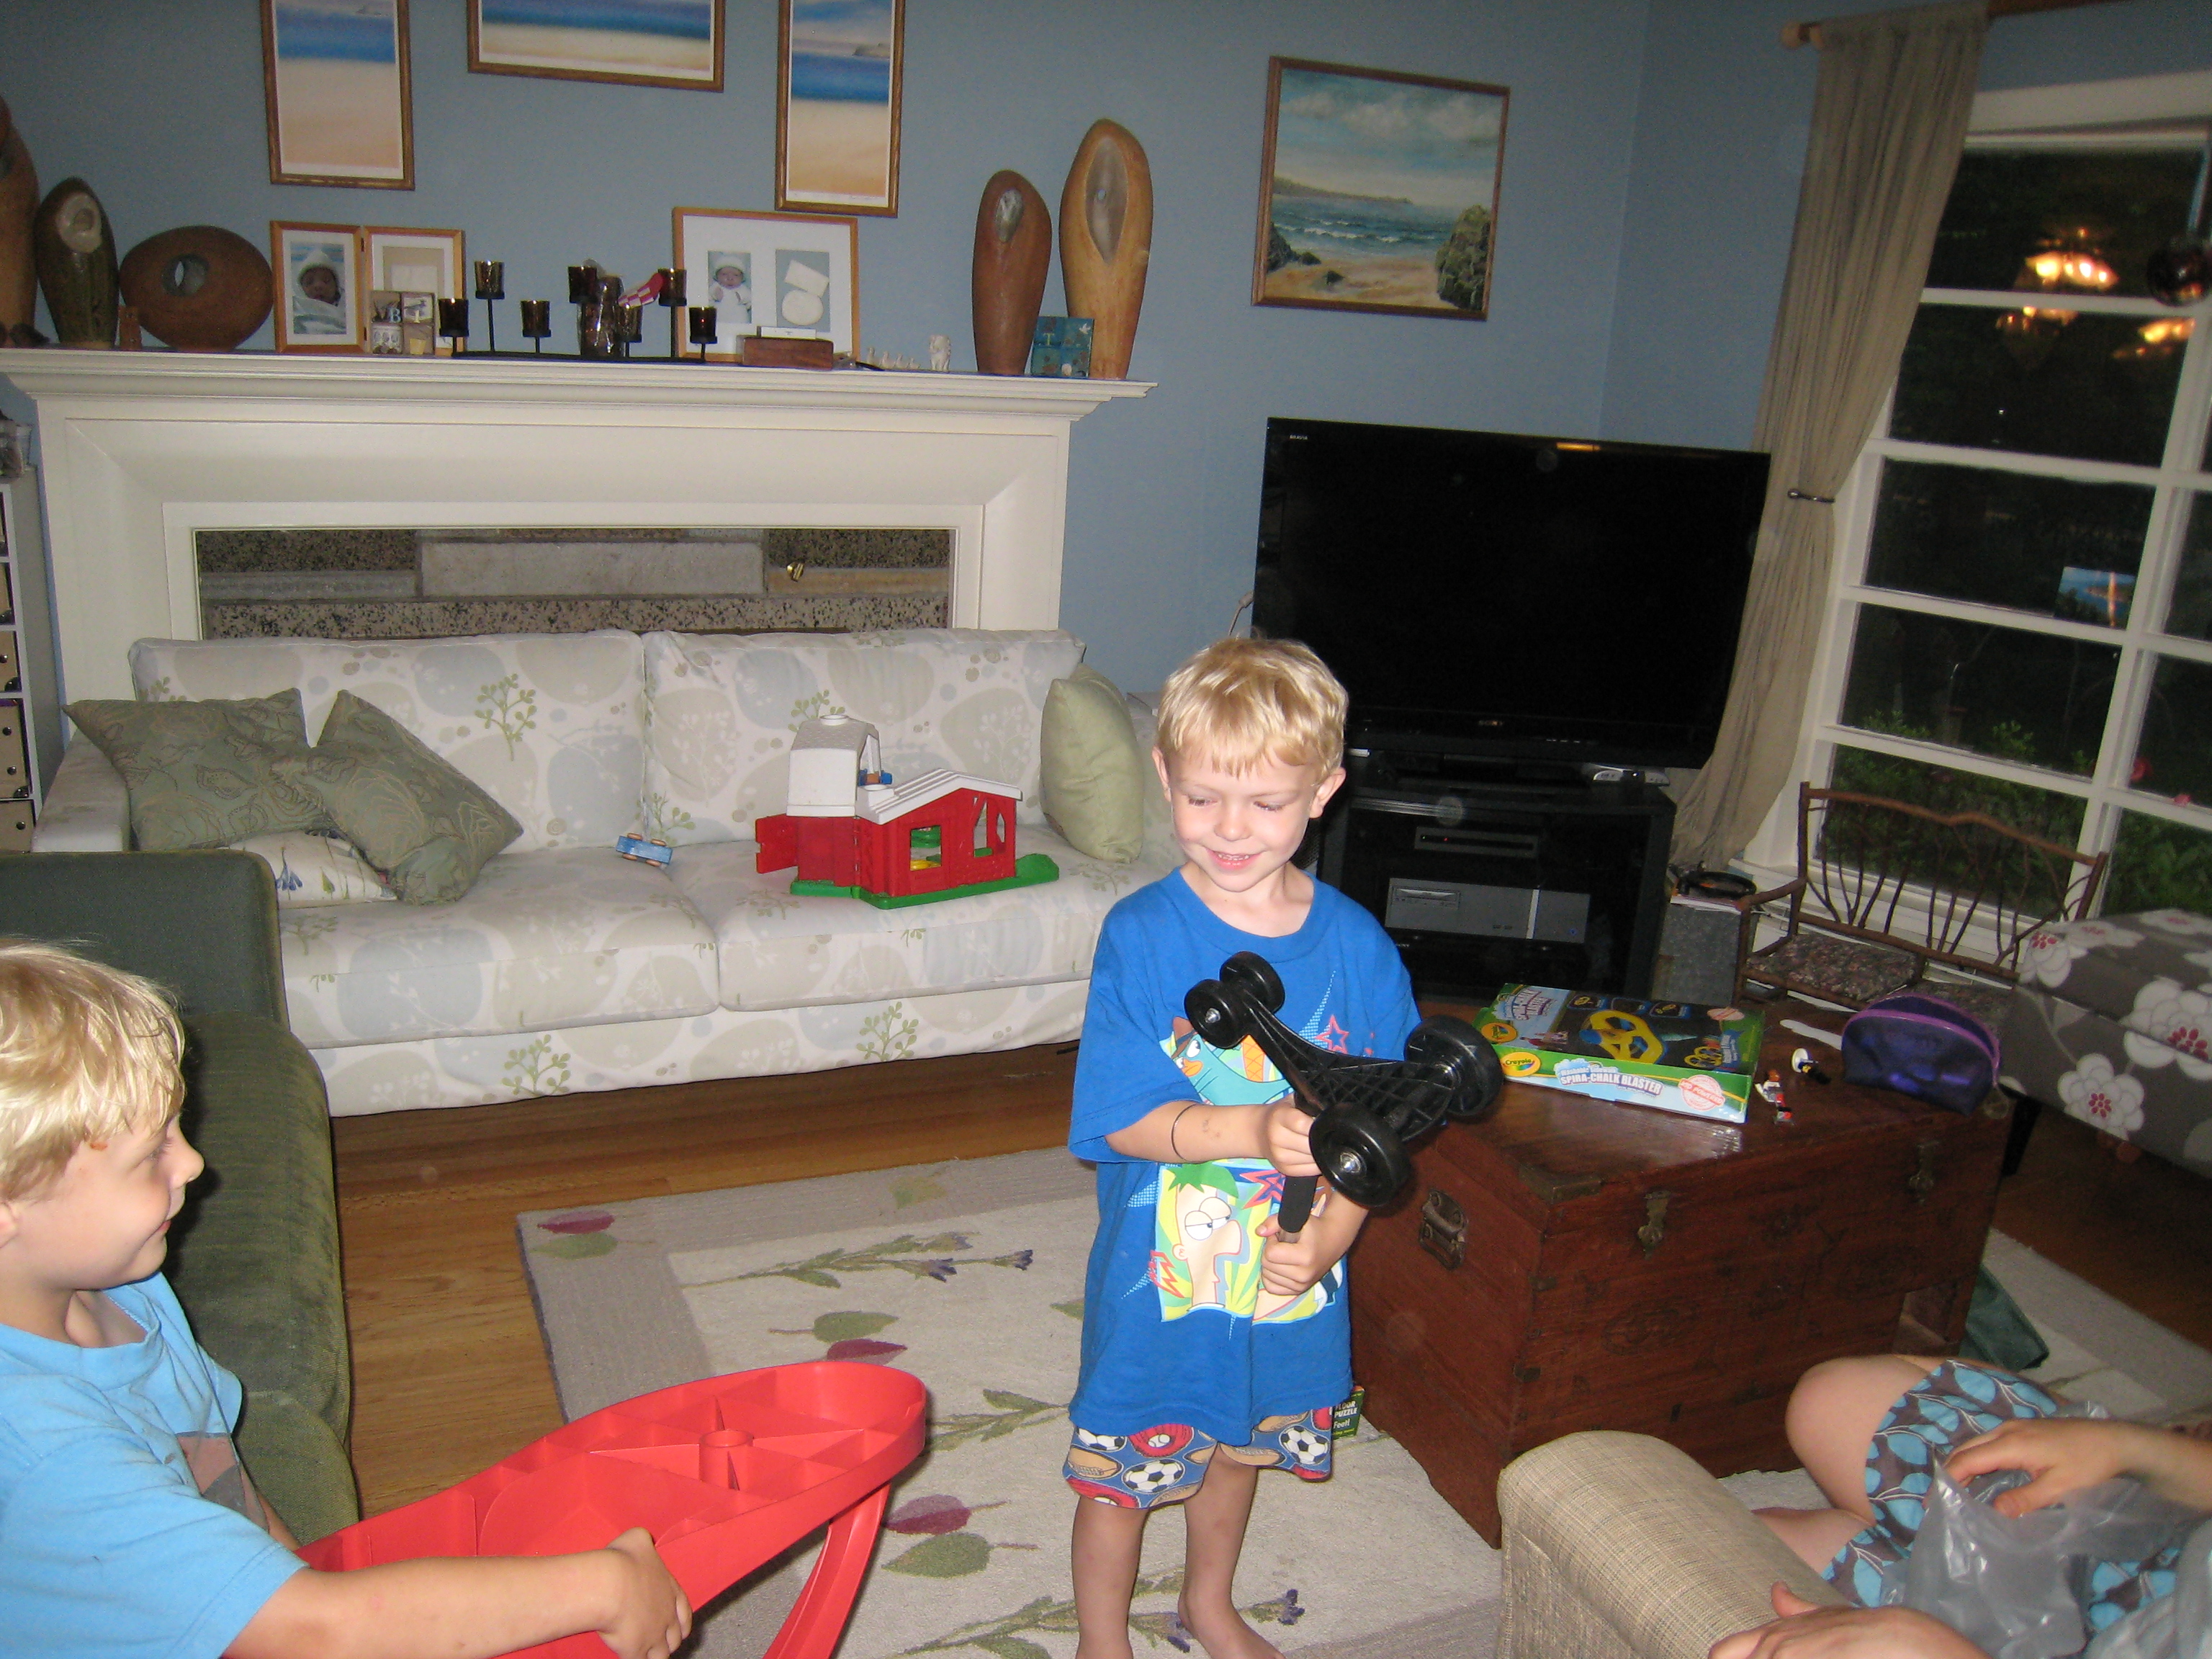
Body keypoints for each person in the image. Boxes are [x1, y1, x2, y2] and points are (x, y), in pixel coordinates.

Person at [0, 939, 693, 1659]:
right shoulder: (45, 1454)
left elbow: (216, 1471)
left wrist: (287, 1569)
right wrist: (603, 1587)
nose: (194, 1161)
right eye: (151, 1155)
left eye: (175, 1128)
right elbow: (313, 1630)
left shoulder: (125, 1290)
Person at [1064, 637, 1420, 1659]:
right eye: (1203, 797)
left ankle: (1207, 1604)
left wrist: (1335, 1236)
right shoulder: (1141, 934)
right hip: (1159, 1280)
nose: (1230, 829)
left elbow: (1382, 1124)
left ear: (1323, 793)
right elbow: (1119, 1118)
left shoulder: (1357, 947)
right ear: (1165, 777)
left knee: (1237, 1450)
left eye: (1266, 803)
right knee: (1122, 1472)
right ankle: (1100, 1641)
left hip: (1285, 1278)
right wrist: (1255, 1130)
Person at [1712, 1354, 2212, 1658]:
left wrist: (1926, 1646)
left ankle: (1891, 1547)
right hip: (2165, 1569)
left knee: (1738, 1554)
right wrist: (2137, 1449)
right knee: (1833, 1400)